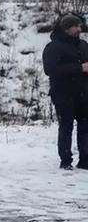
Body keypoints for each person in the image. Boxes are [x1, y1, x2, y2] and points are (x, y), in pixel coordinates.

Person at [41, 13, 88, 170]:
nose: (79, 29)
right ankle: (66, 160)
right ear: (67, 28)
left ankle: (85, 159)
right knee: (66, 126)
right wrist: (79, 68)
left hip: (83, 92)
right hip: (63, 93)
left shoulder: (83, 45)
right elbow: (50, 69)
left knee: (85, 126)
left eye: (79, 26)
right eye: (76, 26)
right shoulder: (53, 47)